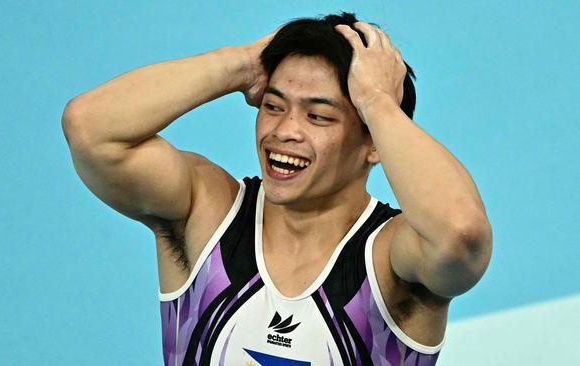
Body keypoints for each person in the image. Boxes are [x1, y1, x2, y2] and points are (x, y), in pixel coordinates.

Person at [61, 12, 492, 366]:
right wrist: (243, 64)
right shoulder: (206, 214)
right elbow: (91, 130)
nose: (284, 131)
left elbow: (461, 234)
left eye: (318, 117)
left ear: (373, 142)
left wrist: (378, 100)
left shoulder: (390, 259)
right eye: (273, 106)